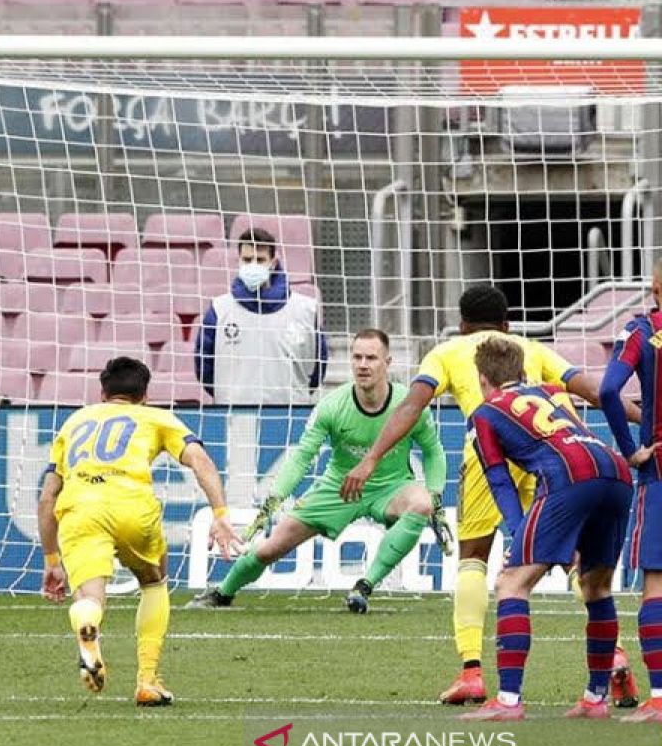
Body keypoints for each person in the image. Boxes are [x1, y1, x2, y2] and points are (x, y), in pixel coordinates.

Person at [338, 284, 639, 705]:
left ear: (461, 326)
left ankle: (473, 672)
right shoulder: (526, 348)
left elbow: (411, 406)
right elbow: (590, 388)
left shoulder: (448, 352)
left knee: (474, 559)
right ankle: (615, 656)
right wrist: (644, 416)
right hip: (560, 456)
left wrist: (371, 458)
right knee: (577, 560)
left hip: (490, 448)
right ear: (506, 325)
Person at [187, 329, 449, 614]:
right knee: (269, 549)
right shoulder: (332, 406)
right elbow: (302, 456)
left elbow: (433, 451)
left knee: (421, 503)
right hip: (339, 488)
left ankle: (364, 586)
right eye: (357, 357)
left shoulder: (410, 405)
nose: (363, 364)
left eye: (371, 358)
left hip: (391, 486)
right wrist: (275, 499)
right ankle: (223, 593)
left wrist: (435, 496)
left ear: (388, 362)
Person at [37, 356, 239, 706]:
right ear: (145, 395)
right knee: (154, 579)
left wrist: (51, 559)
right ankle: (147, 680)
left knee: (90, 597)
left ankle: (87, 624)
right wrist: (220, 514)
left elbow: (47, 496)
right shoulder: (157, 417)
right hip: (132, 506)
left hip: (81, 508)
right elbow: (201, 461)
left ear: (103, 392)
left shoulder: (75, 421)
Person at [461, 338, 632, 722]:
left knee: (511, 583)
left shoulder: (485, 413)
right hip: (616, 472)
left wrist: (519, 532)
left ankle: (507, 702)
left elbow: (499, 480)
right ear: (522, 373)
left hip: (570, 477)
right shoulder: (551, 392)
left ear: (483, 379)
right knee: (596, 587)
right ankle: (595, 699)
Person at [598, 256, 662, 722]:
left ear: (655, 289)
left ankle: (660, 698)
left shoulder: (643, 331)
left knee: (656, 586)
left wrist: (630, 447)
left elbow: (607, 390)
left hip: (659, 467)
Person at [194, 227, 327, 405]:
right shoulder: (219, 309)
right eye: (247, 260)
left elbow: (317, 369)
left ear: (273, 262)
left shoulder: (306, 311)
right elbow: (204, 370)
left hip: (290, 418)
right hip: (234, 416)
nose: (253, 265)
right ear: (239, 261)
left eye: (260, 260)